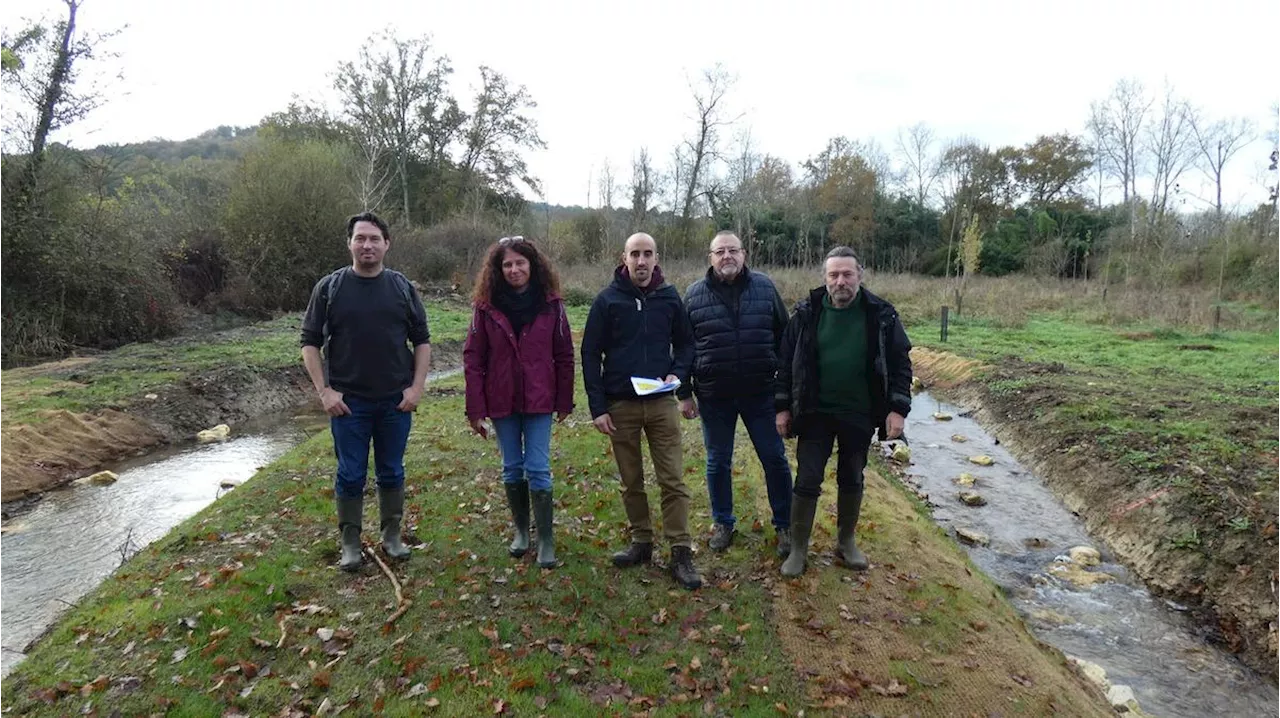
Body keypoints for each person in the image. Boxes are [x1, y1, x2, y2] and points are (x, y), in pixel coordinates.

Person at [301, 212, 431, 572]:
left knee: (391, 471)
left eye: (374, 238)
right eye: (360, 238)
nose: (367, 245)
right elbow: (309, 343)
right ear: (349, 243)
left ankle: (392, 537)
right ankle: (350, 544)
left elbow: (422, 341)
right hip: (348, 404)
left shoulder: (402, 287)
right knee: (351, 474)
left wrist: (416, 388)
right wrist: (324, 392)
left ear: (387, 243)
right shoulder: (329, 289)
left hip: (395, 402)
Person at [775, 246, 912, 577]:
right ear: (825, 278)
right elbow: (784, 363)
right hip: (815, 412)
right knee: (807, 478)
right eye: (834, 275)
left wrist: (898, 409)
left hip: (859, 412)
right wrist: (781, 407)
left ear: (860, 276)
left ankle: (846, 542)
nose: (840, 281)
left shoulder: (881, 314)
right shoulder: (806, 313)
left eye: (847, 274)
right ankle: (798, 549)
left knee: (852, 476)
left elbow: (900, 363)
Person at [580, 232, 702, 590]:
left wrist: (678, 374)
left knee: (673, 480)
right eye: (635, 254)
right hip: (621, 405)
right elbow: (590, 354)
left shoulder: (669, 298)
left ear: (657, 257)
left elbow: (686, 343)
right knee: (631, 480)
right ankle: (641, 542)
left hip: (662, 402)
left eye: (648, 253)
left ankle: (680, 551)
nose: (642, 260)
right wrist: (598, 406)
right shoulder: (607, 300)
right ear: (624, 258)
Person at [679, 230, 794, 557]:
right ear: (711, 257)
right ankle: (723, 522)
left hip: (761, 394)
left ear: (744, 254)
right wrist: (684, 393)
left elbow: (784, 339)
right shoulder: (693, 295)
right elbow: (685, 348)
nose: (727, 256)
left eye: (733, 250)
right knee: (717, 461)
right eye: (720, 252)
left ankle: (785, 524)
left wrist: (784, 392)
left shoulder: (765, 287)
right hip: (715, 395)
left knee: (774, 458)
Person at [463, 236, 574, 569]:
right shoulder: (484, 308)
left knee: (538, 468)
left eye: (520, 263)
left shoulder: (552, 305)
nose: (514, 269)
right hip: (501, 398)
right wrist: (475, 408)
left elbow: (564, 355)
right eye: (507, 264)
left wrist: (564, 400)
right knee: (512, 467)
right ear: (498, 270)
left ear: (532, 265)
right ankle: (522, 532)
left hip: (540, 398)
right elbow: (473, 357)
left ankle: (546, 540)